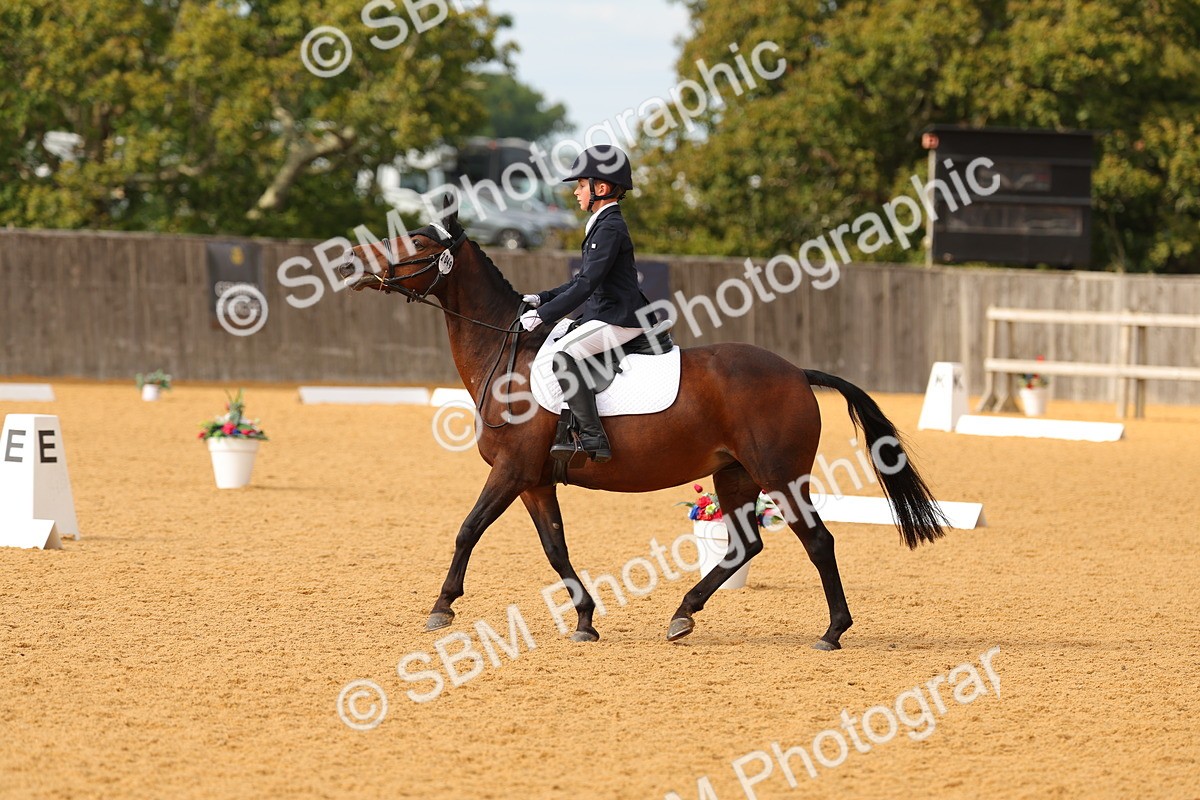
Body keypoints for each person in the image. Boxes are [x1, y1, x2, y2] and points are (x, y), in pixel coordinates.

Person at [518, 145, 650, 463]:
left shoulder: (610, 227)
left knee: (564, 355)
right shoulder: (601, 224)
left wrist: (544, 315)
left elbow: (587, 284)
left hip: (618, 318)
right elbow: (582, 280)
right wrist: (542, 298)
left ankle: (592, 436)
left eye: (580, 185)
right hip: (606, 313)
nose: (576, 192)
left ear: (600, 189)